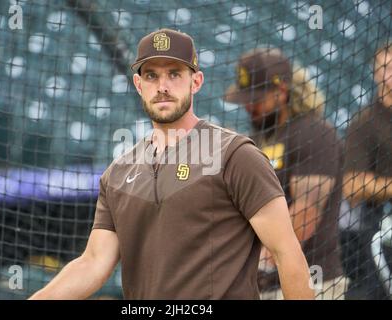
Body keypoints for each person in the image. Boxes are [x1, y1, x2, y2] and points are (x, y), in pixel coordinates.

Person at [30, 28, 313, 300]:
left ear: (196, 81)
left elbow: (286, 253)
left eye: (174, 74)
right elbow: (93, 262)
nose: (162, 87)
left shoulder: (236, 155)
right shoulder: (116, 174)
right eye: (151, 76)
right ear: (139, 85)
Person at [224, 48, 346, 299]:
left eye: (256, 98)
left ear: (281, 92)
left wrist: (249, 260)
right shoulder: (255, 138)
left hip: (313, 285)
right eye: (245, 98)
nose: (248, 105)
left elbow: (306, 213)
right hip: (262, 286)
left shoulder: (314, 133)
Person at [341, 40, 392, 299]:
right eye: (384, 67)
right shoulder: (365, 123)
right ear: (375, 73)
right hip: (374, 231)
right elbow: (353, 186)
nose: (389, 73)